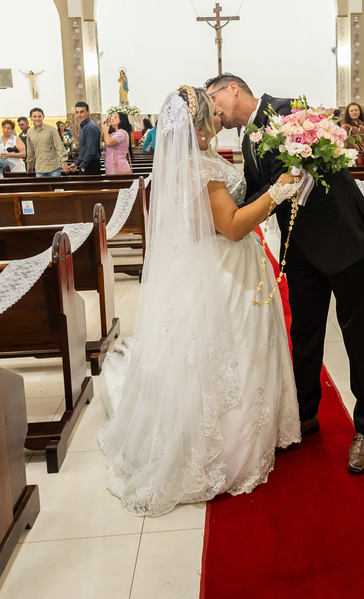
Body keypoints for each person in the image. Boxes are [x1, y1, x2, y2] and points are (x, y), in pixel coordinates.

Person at [99, 87, 302, 517]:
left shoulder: (183, 165)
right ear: (198, 124)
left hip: (198, 265)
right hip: (222, 270)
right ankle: (228, 447)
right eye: (212, 114)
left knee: (206, 362)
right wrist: (279, 192)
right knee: (231, 358)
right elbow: (230, 226)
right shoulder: (199, 167)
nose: (219, 120)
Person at [207, 73, 364, 474]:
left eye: (213, 100)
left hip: (339, 238)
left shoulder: (288, 112)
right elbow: (259, 191)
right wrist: (224, 219)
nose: (215, 111)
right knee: (304, 332)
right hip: (299, 248)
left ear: (232, 88)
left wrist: (286, 183)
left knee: (357, 335)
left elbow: (315, 168)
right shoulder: (247, 138)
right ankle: (305, 414)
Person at [24, 107, 67, 178]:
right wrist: (30, 165)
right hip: (39, 169)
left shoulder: (51, 130)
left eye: (39, 116)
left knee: (57, 188)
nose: (37, 119)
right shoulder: (30, 132)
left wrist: (64, 163)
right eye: (34, 116)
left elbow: (59, 147)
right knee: (42, 189)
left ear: (43, 117)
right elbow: (30, 150)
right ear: (30, 117)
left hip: (53, 167)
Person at [73, 102, 101, 175]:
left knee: (88, 186)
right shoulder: (85, 126)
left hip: (90, 164)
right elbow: (84, 149)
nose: (79, 115)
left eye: (82, 112)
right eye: (77, 112)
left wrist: (83, 165)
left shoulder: (90, 127)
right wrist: (77, 163)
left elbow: (91, 149)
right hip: (87, 163)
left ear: (88, 112)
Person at [342, 101, 364, 166]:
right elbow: (348, 143)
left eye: (356, 110)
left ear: (360, 112)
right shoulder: (345, 127)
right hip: (352, 158)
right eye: (351, 111)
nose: (354, 112)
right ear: (348, 113)